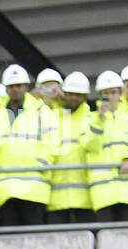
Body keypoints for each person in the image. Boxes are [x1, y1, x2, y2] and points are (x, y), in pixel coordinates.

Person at [0, 64, 58, 225]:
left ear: (26, 87)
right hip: (5, 186)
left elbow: (52, 141)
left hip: (34, 186)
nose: (15, 89)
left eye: (18, 86)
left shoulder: (41, 111)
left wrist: (42, 165)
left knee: (34, 239)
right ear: (6, 89)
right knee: (11, 240)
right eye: (11, 86)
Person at [81, 70, 128, 222]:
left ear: (120, 93)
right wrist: (99, 120)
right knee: (106, 237)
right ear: (99, 95)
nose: (110, 96)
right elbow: (89, 145)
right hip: (102, 192)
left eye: (114, 92)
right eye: (106, 93)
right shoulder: (90, 118)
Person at [46, 73, 93, 223]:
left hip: (85, 196)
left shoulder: (92, 118)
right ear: (63, 94)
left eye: (78, 95)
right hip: (56, 196)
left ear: (85, 96)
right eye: (70, 94)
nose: (74, 98)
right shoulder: (52, 117)